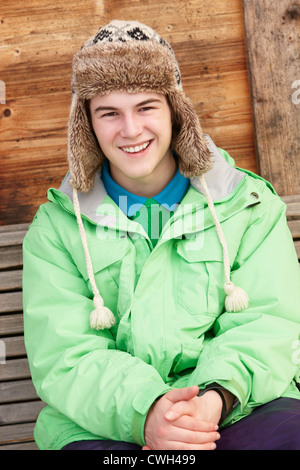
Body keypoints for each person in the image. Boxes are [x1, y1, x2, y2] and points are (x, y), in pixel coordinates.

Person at [22, 20, 300, 451]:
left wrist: (214, 399)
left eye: (146, 107)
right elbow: (64, 355)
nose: (130, 130)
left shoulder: (246, 203)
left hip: (239, 405)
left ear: (175, 109)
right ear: (87, 125)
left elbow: (269, 321)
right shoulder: (57, 229)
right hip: (107, 421)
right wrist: (148, 411)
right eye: (109, 113)